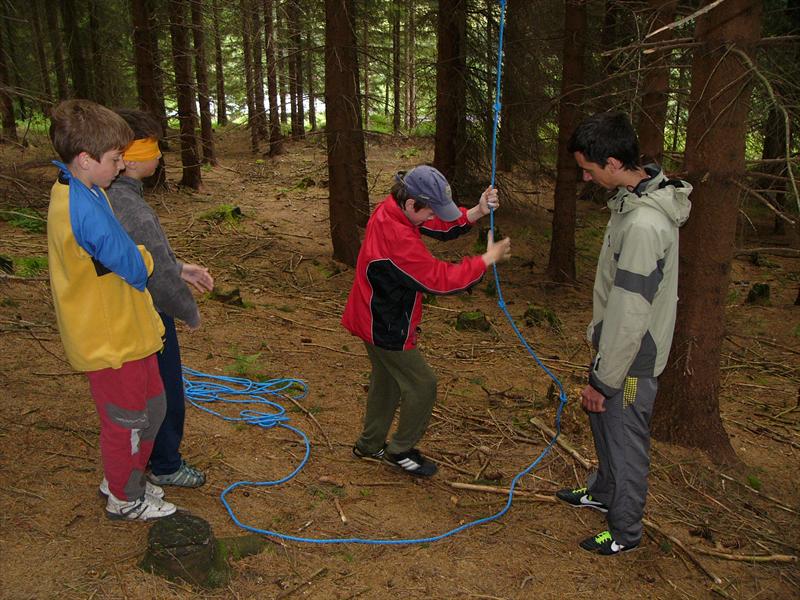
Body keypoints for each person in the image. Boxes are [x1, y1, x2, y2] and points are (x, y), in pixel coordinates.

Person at [555, 112, 692, 555]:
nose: (585, 177)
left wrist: (605, 379)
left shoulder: (643, 225)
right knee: (603, 422)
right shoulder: (633, 198)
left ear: (613, 163)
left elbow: (632, 311)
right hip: (615, 347)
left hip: (631, 356)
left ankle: (625, 531)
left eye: (588, 169)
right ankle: (604, 491)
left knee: (624, 439)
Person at [46, 99, 176, 520]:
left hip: (130, 331)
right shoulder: (83, 208)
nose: (121, 167)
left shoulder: (84, 187)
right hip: (110, 341)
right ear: (86, 159)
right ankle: (124, 497)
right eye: (115, 159)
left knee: (154, 407)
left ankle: (124, 478)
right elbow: (136, 267)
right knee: (128, 422)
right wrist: (146, 257)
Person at [342, 165, 511, 477]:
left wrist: (476, 211)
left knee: (387, 380)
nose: (433, 217)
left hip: (370, 315)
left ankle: (369, 445)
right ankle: (400, 451)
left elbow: (436, 223)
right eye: (430, 210)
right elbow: (439, 279)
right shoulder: (397, 239)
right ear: (412, 203)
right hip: (385, 324)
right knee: (422, 385)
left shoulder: (393, 209)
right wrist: (486, 259)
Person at [106, 109, 213, 489]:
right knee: (163, 391)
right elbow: (156, 274)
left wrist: (180, 267)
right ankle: (165, 462)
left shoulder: (114, 196)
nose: (159, 156)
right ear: (131, 159)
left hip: (128, 309)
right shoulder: (132, 208)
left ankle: (152, 457)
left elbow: (144, 255)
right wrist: (189, 312)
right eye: (153, 148)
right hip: (146, 312)